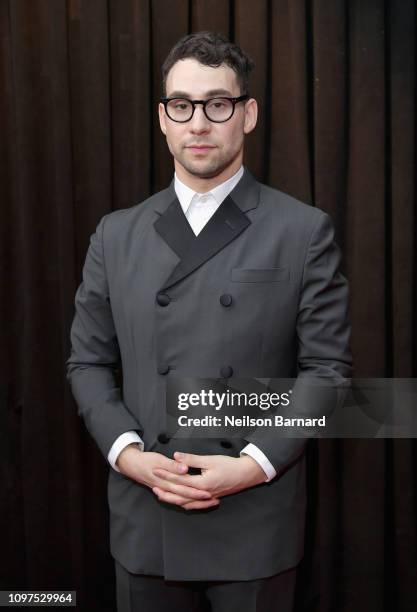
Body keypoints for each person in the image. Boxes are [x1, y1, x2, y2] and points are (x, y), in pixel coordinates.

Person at [66, 31, 352, 612]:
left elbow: (327, 374)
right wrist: (127, 453)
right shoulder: (116, 234)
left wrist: (252, 466)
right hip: (147, 514)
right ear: (163, 119)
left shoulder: (302, 230)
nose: (198, 123)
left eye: (217, 104)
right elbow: (88, 362)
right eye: (182, 106)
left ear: (247, 115)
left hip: (254, 519)